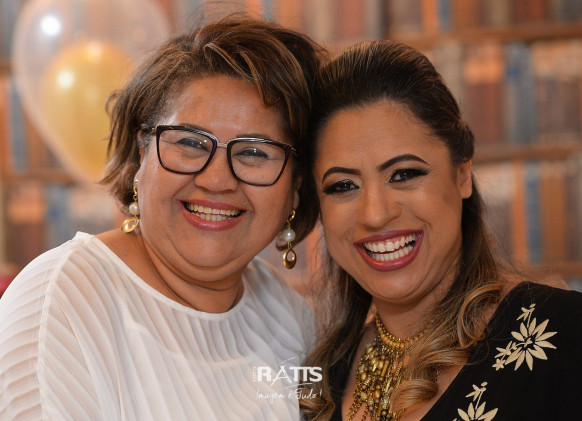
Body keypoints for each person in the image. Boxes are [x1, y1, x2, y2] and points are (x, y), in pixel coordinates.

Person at [0, 16, 324, 420]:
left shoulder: (288, 315)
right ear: (142, 154)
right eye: (190, 143)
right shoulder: (62, 303)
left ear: (296, 185)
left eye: (255, 152)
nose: (217, 180)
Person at [298, 40, 582, 420]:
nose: (375, 215)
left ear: (462, 174)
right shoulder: (319, 379)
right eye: (343, 186)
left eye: (404, 174)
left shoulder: (566, 334)